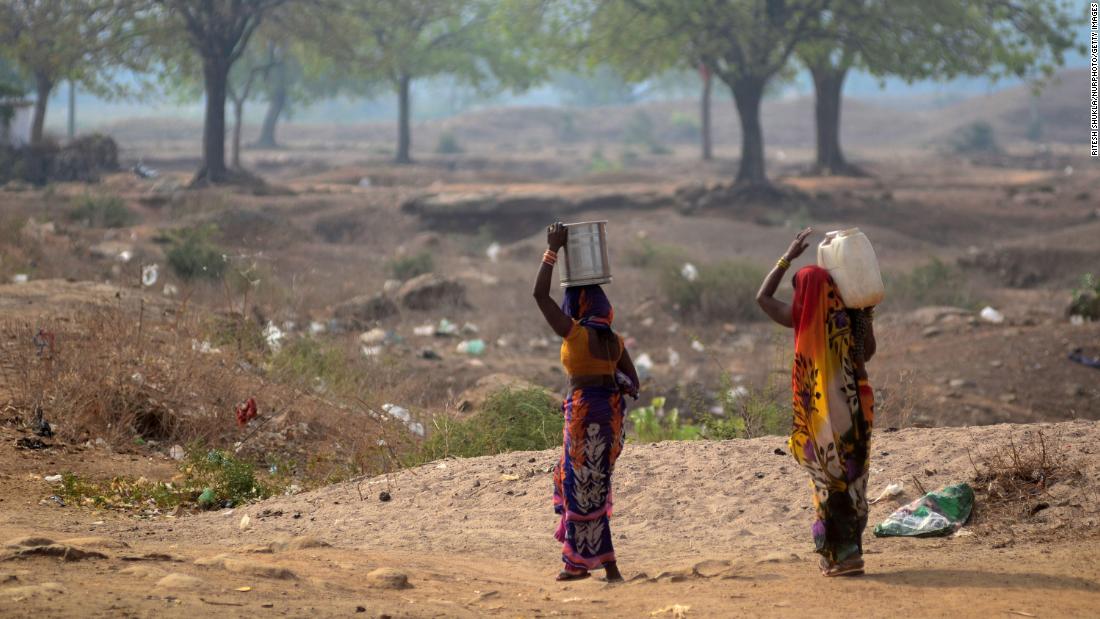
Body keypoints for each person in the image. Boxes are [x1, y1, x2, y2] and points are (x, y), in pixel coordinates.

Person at [756, 227, 876, 577]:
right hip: (854, 412)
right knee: (852, 478)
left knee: (827, 483)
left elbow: (762, 298)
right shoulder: (851, 316)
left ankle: (838, 557)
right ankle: (851, 552)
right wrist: (864, 312)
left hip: (819, 420)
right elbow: (867, 353)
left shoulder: (800, 318)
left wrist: (787, 258)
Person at [533, 222, 640, 583]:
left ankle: (591, 566)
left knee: (582, 488)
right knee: (591, 484)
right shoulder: (614, 340)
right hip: (609, 419)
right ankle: (594, 565)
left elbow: (539, 296)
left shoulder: (575, 333)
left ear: (578, 304)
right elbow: (634, 383)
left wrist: (552, 250)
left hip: (584, 417)